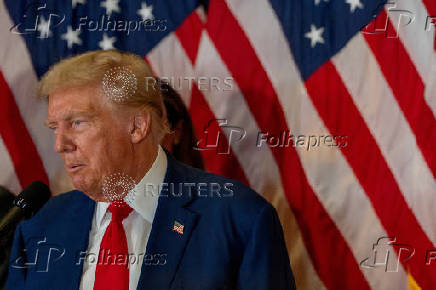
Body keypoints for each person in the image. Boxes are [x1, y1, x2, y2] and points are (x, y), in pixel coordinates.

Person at [6, 50, 295, 290]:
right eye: (55, 128)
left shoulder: (238, 219)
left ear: (137, 126)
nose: (60, 145)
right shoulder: (41, 228)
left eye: (78, 123)